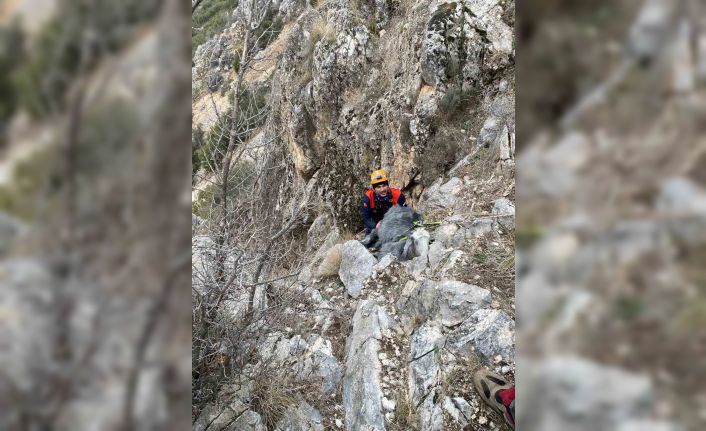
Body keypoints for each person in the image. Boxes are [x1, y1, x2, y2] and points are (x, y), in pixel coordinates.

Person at [361, 169, 407, 235]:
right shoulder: (368, 198)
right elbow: (366, 218)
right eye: (379, 187)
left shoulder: (397, 195)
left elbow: (405, 213)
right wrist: (376, 226)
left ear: (388, 185)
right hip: (376, 226)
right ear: (373, 189)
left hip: (394, 224)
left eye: (384, 186)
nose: (382, 189)